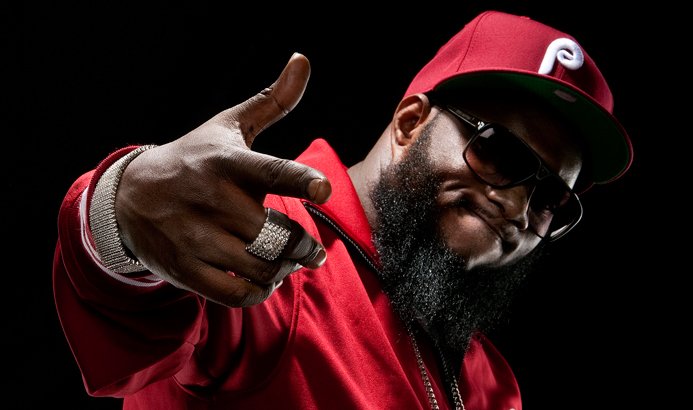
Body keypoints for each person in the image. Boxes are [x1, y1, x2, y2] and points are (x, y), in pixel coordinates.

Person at [53, 10, 633, 410]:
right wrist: (117, 209)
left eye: (550, 197)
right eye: (500, 152)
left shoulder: (491, 385)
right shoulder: (265, 242)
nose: (517, 205)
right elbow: (135, 309)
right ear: (410, 123)